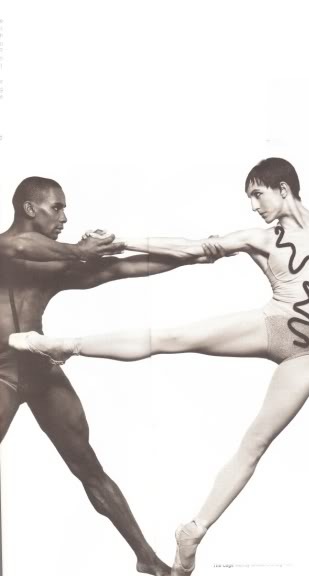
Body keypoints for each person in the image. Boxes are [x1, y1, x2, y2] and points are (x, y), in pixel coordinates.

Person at [11, 85, 309, 576]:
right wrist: (122, 240)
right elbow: (191, 248)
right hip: (273, 326)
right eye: (249, 198)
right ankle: (63, 345)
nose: (253, 205)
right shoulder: (258, 237)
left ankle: (194, 532)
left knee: (254, 444)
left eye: (257, 194)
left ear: (283, 187)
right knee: (172, 337)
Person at [1, 176, 223, 576]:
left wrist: (193, 254)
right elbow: (17, 245)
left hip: (39, 368)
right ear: (30, 208)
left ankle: (146, 558)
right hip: (0, 372)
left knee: (88, 465)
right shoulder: (6, 247)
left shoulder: (55, 263)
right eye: (57, 207)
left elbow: (122, 268)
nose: (65, 217)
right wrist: (78, 250)